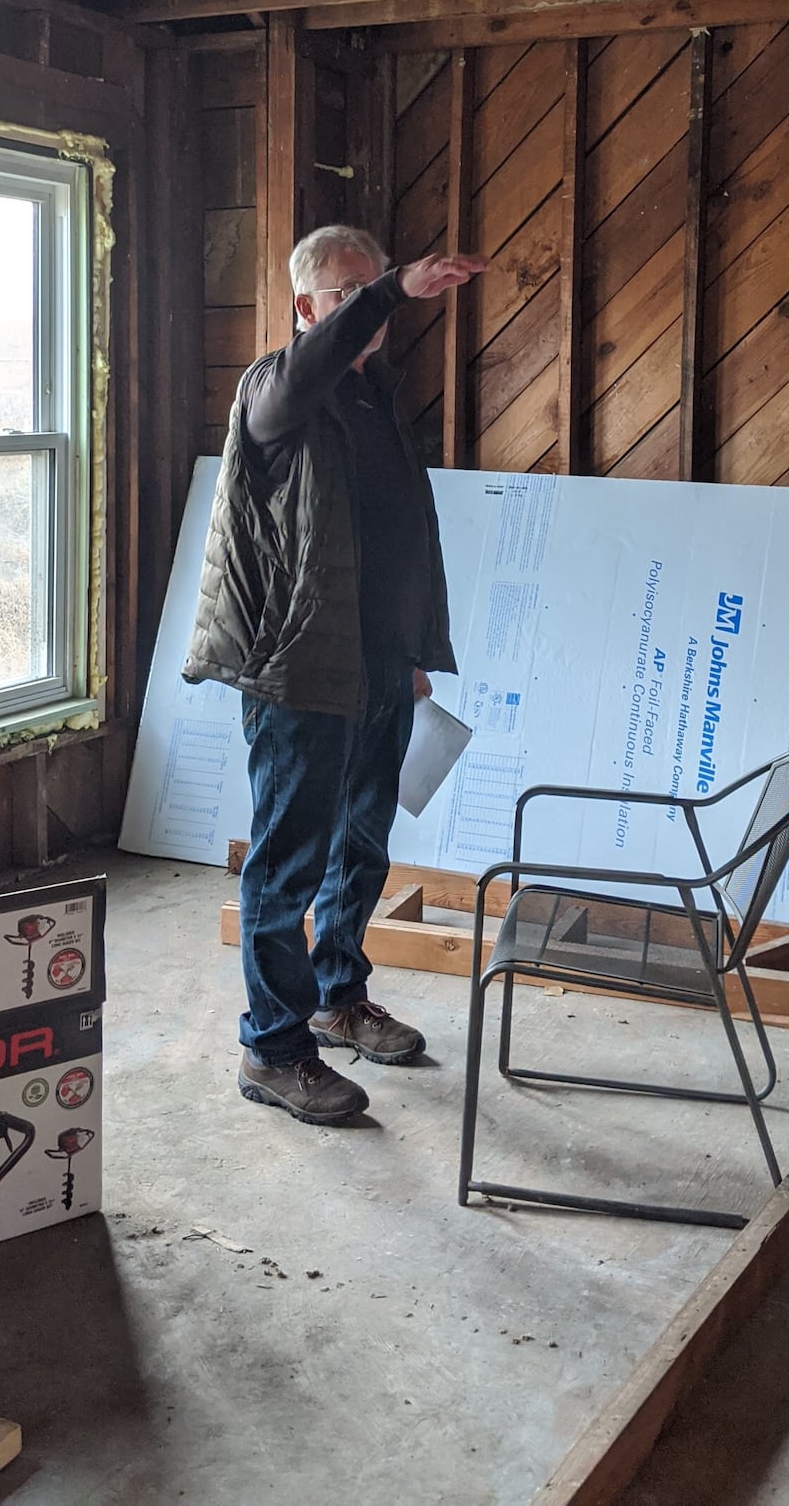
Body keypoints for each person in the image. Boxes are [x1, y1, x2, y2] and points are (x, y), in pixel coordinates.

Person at [185, 224, 486, 1126]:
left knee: (361, 845)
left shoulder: (373, 396)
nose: (366, 308)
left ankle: (337, 994)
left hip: (379, 669)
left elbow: (386, 542)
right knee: (287, 863)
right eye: (345, 294)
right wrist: (391, 287)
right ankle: (273, 1048)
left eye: (370, 291)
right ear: (307, 309)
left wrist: (410, 657)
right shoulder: (277, 391)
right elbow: (321, 361)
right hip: (301, 676)